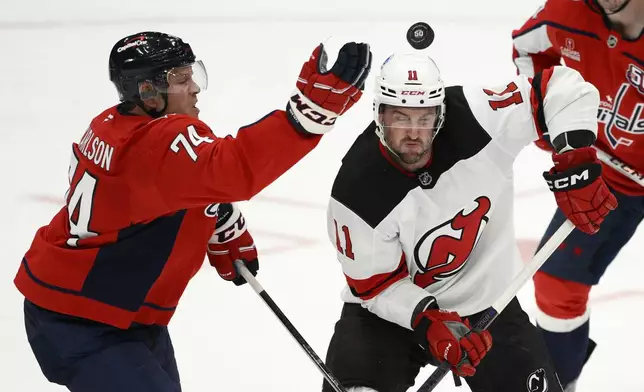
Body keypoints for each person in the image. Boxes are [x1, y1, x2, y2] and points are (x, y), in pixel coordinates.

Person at [14, 31, 371, 392]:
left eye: (192, 75)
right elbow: (231, 171)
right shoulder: (159, 141)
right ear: (148, 92)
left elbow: (160, 192)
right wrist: (306, 115)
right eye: (181, 80)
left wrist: (217, 220)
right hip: (84, 322)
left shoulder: (115, 124)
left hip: (112, 313)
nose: (195, 88)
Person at [321, 50, 617, 392]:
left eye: (424, 119)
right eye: (400, 119)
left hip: (489, 304)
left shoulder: (478, 116)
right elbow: (377, 286)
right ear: (379, 115)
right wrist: (426, 319)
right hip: (390, 320)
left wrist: (576, 160)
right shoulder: (356, 191)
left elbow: (562, 87)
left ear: (441, 113)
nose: (413, 134)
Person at [512, 0, 644, 389]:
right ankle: (556, 384)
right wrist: (548, 117)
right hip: (611, 175)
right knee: (555, 282)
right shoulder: (565, 12)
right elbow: (527, 49)